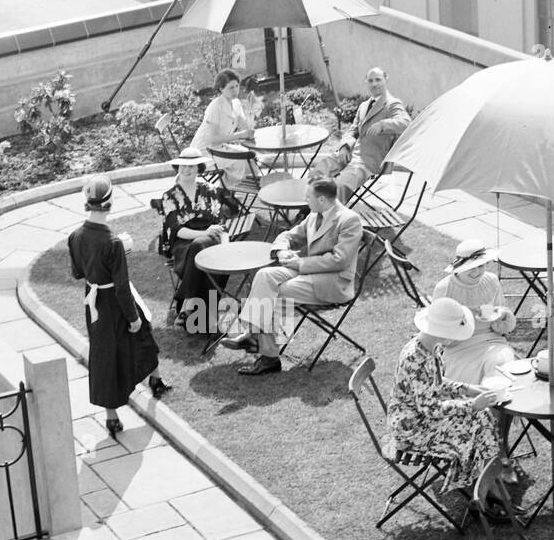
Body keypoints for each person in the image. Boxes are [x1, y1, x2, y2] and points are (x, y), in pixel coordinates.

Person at [220, 178, 363, 376]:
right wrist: (281, 251)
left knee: (279, 293)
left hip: (333, 282)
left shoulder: (349, 220)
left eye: (308, 197)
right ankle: (253, 335)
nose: (305, 200)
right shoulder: (315, 215)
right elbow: (289, 235)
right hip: (308, 271)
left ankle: (267, 356)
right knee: (264, 275)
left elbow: (340, 260)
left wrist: (300, 264)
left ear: (321, 199)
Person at [67, 175, 171, 436]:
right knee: (143, 330)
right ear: (110, 201)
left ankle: (112, 417)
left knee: (103, 355)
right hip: (114, 302)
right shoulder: (113, 243)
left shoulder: (75, 237)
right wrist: (133, 318)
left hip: (94, 303)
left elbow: (78, 273)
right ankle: (155, 380)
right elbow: (122, 287)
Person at [385, 298, 504, 493]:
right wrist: (472, 405)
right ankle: (486, 490)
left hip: (423, 418)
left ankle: (486, 488)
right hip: (412, 429)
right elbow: (430, 408)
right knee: (478, 419)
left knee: (482, 418)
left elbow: (438, 382)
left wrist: (469, 389)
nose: (456, 338)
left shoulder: (430, 346)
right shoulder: (414, 358)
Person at [155, 148, 242, 330]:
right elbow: (177, 230)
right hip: (184, 242)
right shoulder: (170, 196)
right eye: (183, 167)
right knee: (199, 245)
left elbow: (221, 222)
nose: (187, 170)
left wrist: (224, 242)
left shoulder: (209, 190)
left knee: (207, 249)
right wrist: (203, 234)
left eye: (192, 167)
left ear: (198, 168)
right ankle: (202, 314)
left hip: (212, 237)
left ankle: (188, 307)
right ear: (177, 167)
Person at [314, 67, 411, 206]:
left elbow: (406, 123)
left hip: (369, 160)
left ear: (385, 79)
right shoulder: (363, 106)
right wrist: (345, 146)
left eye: (378, 80)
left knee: (339, 185)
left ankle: (329, 220)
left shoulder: (392, 104)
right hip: (350, 154)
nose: (374, 84)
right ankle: (308, 211)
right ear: (366, 82)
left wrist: (382, 124)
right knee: (318, 172)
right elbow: (353, 131)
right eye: (370, 80)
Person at [432, 240, 517, 385]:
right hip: (458, 347)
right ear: (459, 267)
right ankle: (477, 404)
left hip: (491, 340)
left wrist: (501, 315)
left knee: (500, 361)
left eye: (481, 266)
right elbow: (436, 333)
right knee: (469, 372)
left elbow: (506, 325)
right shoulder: (444, 288)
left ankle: (497, 403)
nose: (477, 272)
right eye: (471, 267)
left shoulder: (492, 280)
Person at [190, 69, 260, 189]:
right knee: (242, 161)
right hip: (204, 152)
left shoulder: (236, 103)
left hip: (219, 148)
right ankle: (225, 192)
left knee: (251, 156)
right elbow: (212, 138)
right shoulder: (215, 107)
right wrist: (240, 135)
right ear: (221, 89)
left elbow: (244, 125)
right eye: (230, 88)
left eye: (236, 86)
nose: (235, 90)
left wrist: (250, 123)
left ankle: (229, 188)